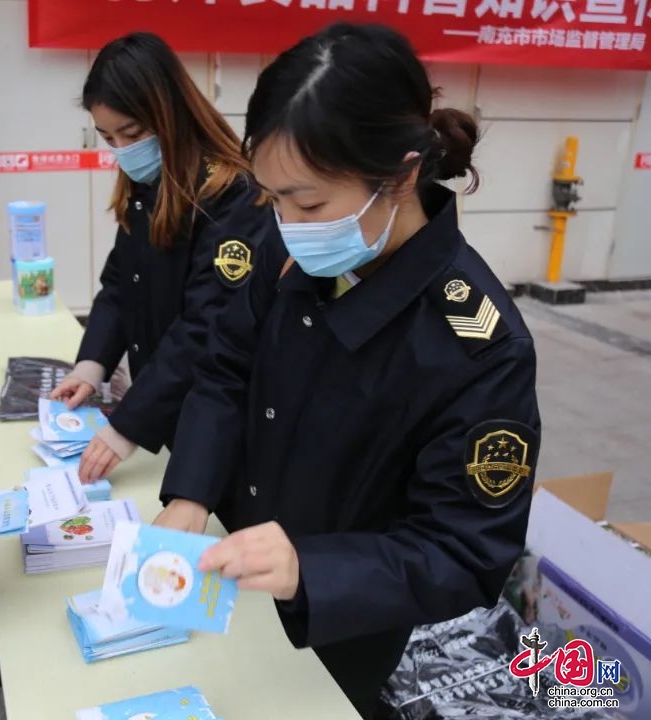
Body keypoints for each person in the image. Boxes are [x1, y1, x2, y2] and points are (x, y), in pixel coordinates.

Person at [154, 24, 540, 718]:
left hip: (339, 627)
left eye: (307, 204)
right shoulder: (291, 246)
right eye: (271, 198)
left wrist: (314, 569)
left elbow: (465, 548)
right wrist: (190, 492)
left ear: (401, 175)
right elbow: (225, 368)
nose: (286, 223)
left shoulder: (476, 345)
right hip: (230, 576)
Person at [50, 32, 282, 485]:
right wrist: (91, 367)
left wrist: (126, 427)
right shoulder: (148, 183)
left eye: (132, 134)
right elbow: (120, 284)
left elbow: (204, 326)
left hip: (214, 421)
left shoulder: (229, 195)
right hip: (165, 409)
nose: (121, 148)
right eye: (108, 137)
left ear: (170, 114)